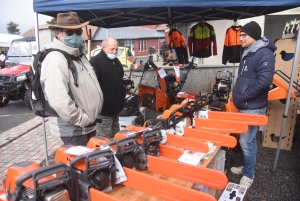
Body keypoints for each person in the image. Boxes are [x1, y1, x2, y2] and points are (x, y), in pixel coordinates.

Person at [40, 12, 103, 146]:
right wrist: (82, 119)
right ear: (58, 33)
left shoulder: (79, 55)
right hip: (75, 129)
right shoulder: (55, 59)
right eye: (69, 33)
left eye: (78, 32)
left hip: (88, 126)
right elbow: (59, 100)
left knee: (93, 164)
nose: (75, 36)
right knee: (80, 165)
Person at [231, 21, 275, 188]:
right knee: (246, 141)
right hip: (246, 105)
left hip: (253, 106)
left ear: (254, 36)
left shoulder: (264, 53)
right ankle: (247, 167)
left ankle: (249, 174)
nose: (240, 38)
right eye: (240, 35)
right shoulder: (249, 52)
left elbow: (264, 82)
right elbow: (245, 79)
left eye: (244, 35)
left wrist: (244, 96)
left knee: (247, 142)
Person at [89, 37, 126, 139]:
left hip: (116, 109)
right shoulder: (95, 62)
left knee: (116, 137)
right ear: (104, 47)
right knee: (104, 139)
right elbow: (92, 87)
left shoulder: (116, 61)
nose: (114, 52)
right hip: (103, 110)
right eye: (112, 49)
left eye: (116, 49)